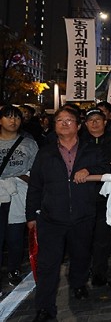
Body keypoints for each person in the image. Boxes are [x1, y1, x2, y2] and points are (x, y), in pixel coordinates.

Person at [26, 106, 110, 321]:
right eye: (59, 120)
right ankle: (44, 307)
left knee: (81, 255)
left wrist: (89, 171)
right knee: (48, 264)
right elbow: (35, 185)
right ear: (54, 126)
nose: (64, 123)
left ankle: (79, 284)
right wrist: (31, 217)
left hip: (83, 215)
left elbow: (107, 167)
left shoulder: (91, 150)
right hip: (51, 218)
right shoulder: (45, 153)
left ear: (78, 125)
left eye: (69, 120)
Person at [0, 106, 39, 289]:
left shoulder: (29, 143)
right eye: (8, 117)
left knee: (15, 235)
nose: (13, 121)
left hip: (18, 193)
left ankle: (13, 269)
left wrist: (25, 178)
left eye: (16, 117)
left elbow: (37, 171)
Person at [81, 107, 111, 287]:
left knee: (102, 238)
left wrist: (90, 169)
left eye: (98, 119)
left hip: (105, 196)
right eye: (91, 120)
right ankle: (82, 271)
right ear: (85, 123)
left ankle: (99, 273)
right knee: (82, 237)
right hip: (82, 196)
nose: (94, 123)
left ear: (105, 122)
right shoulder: (78, 141)